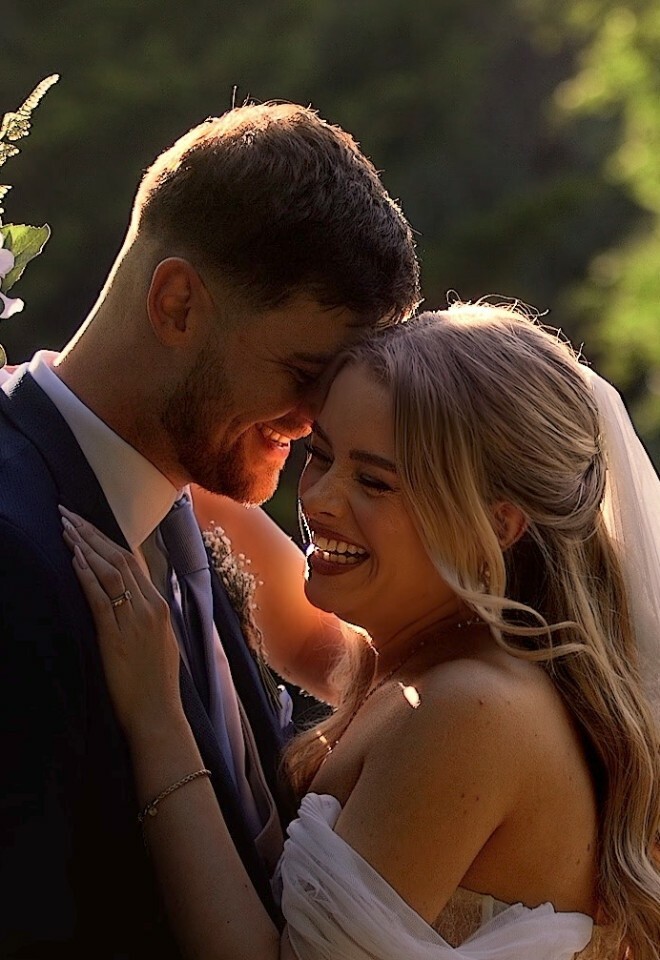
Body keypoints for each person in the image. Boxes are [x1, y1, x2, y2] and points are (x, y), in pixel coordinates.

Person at [62, 302, 660, 960]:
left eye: (373, 481)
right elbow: (289, 614)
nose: (317, 499)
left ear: (498, 524)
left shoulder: (470, 710)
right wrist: (69, 407)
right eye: (321, 455)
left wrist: (156, 714)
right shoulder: (430, 664)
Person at [0, 102, 419, 958]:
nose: (315, 420)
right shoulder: (12, 549)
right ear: (179, 303)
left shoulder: (184, 507)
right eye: (304, 373)